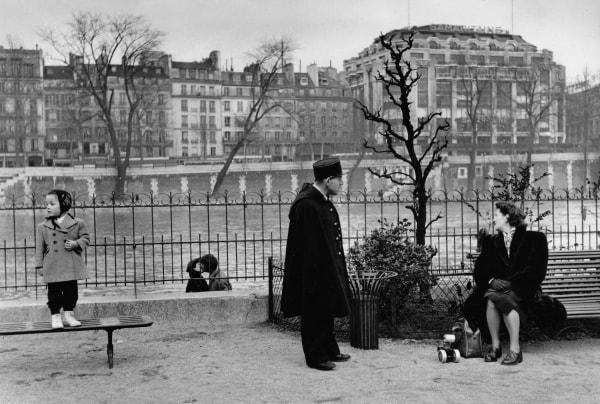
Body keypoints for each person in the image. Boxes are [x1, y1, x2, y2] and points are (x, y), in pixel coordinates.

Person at [281, 157, 351, 371]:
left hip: (325, 266)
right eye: (339, 180)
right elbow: (309, 246)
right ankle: (315, 356)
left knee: (326, 309)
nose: (341, 184)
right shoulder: (308, 205)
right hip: (313, 270)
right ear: (328, 180)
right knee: (314, 312)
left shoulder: (319, 201)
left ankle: (329, 349)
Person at [469, 201, 548, 365]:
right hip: (499, 290)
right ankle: (497, 347)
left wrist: (511, 283)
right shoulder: (491, 242)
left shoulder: (535, 239)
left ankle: (514, 349)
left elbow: (537, 271)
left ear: (507, 217)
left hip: (525, 289)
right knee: (493, 298)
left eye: (496, 215)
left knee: (497, 299)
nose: (493, 220)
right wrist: (492, 281)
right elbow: (480, 271)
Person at [35, 189, 90, 329]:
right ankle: (55, 317)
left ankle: (69, 315)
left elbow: (86, 238)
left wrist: (76, 243)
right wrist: (39, 266)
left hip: (70, 264)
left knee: (71, 293)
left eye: (52, 204)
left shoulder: (78, 223)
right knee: (53, 294)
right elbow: (39, 248)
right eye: (47, 204)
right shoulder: (42, 227)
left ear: (64, 205)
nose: (48, 207)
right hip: (52, 265)